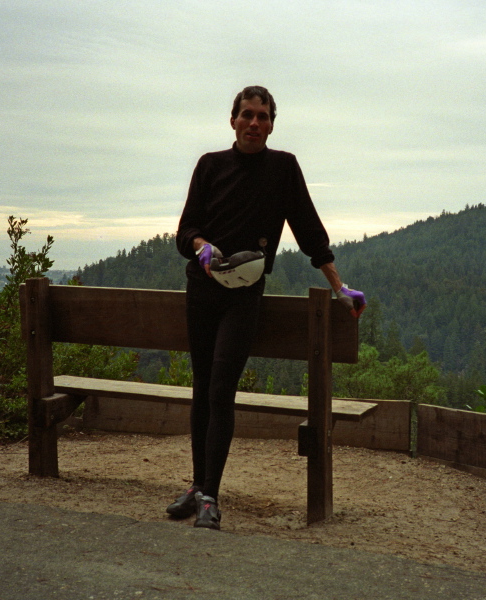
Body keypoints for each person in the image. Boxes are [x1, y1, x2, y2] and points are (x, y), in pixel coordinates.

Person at [169, 85, 366, 530]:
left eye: (262, 116)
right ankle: (199, 487)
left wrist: (340, 288)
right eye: (246, 115)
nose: (254, 123)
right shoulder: (209, 165)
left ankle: (210, 497)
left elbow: (310, 233)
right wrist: (200, 246)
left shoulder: (283, 169)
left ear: (271, 124)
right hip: (202, 293)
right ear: (233, 120)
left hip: (244, 296)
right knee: (203, 389)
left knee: (220, 389)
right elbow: (185, 231)